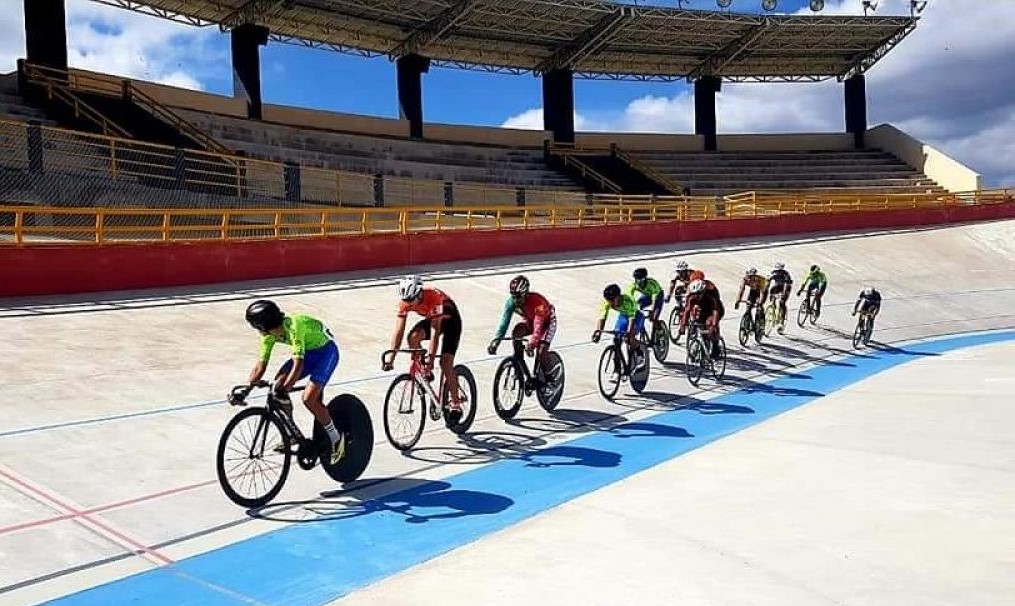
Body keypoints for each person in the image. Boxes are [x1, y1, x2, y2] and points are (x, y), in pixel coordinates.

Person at [241, 300, 345, 464]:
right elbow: (260, 367)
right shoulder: (268, 336)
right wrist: (246, 389)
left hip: (326, 353)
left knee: (308, 398)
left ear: (262, 326)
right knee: (278, 385)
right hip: (308, 353)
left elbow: (298, 365)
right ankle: (291, 434)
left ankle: (337, 439)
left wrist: (286, 388)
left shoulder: (294, 327)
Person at [383, 275, 465, 423]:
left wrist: (431, 359)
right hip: (433, 318)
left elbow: (435, 331)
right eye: (406, 301)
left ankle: (456, 403)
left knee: (445, 363)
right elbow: (399, 332)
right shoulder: (405, 302)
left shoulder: (433, 297)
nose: (409, 304)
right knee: (412, 338)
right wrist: (391, 357)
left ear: (419, 293)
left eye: (411, 301)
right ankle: (423, 370)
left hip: (451, 322)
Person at [487, 275, 557, 389]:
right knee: (516, 332)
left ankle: (550, 379)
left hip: (547, 322)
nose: (516, 300)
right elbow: (504, 324)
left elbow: (538, 328)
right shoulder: (511, 303)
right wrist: (495, 342)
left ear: (525, 294)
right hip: (530, 320)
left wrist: (532, 345)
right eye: (513, 296)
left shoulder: (537, 302)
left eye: (518, 297)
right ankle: (518, 362)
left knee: (541, 350)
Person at [592, 283, 643, 372]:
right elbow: (602, 318)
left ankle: (639, 353)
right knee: (617, 340)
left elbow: (631, 320)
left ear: (618, 297)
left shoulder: (628, 301)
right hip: (623, 315)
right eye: (608, 300)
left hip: (636, 316)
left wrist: (628, 333)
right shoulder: (607, 302)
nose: (610, 303)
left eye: (612, 300)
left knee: (629, 338)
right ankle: (617, 370)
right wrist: (598, 332)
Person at [678, 279, 725, 358]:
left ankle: (715, 346)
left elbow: (715, 312)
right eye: (694, 294)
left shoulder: (711, 296)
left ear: (703, 291)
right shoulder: (691, 298)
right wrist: (682, 326)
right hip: (702, 310)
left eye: (699, 294)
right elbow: (687, 311)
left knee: (709, 324)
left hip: (715, 309)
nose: (697, 296)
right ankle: (704, 347)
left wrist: (713, 326)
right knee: (699, 324)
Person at [767, 262, 793, 333]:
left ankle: (781, 322)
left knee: (782, 302)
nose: (777, 272)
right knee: (772, 290)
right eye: (776, 271)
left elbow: (786, 284)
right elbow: (768, 281)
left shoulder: (786, 274)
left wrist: (783, 294)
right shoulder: (773, 272)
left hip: (786, 287)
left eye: (779, 271)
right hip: (778, 286)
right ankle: (773, 305)